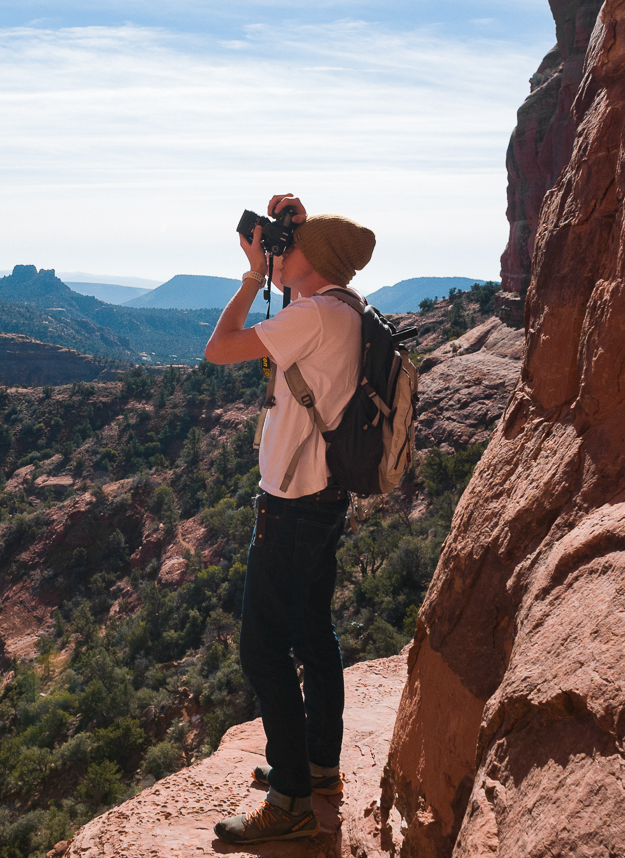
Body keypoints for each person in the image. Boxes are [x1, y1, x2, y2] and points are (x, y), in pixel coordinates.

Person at [203, 193, 376, 843]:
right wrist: (297, 231)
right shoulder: (342, 310)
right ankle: (318, 769)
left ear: (310, 259)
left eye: (286, 246)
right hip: (322, 497)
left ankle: (289, 798)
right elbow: (309, 281)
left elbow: (220, 349)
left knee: (262, 646)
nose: (276, 250)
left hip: (292, 503)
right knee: (310, 632)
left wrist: (252, 275)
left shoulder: (314, 318)